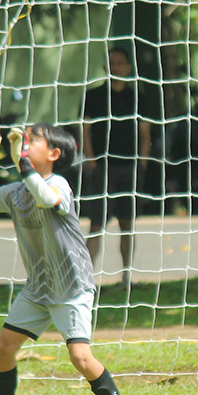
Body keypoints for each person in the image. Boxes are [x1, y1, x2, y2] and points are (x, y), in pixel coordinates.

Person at [0, 119, 142, 395]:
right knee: (4, 346)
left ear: (54, 153)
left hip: (72, 285)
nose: (25, 142)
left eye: (34, 140)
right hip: (39, 287)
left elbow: (45, 198)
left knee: (80, 358)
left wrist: (22, 162)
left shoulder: (59, 185)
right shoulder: (16, 192)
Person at [80, 47, 151, 285]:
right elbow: (85, 131)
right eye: (112, 63)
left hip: (129, 168)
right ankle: (85, 281)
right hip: (103, 168)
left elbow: (145, 132)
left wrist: (142, 163)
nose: (116, 67)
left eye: (121, 63)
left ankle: (126, 276)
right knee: (97, 224)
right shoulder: (94, 96)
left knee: (127, 223)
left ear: (128, 68)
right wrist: (91, 163)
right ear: (104, 68)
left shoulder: (137, 96)